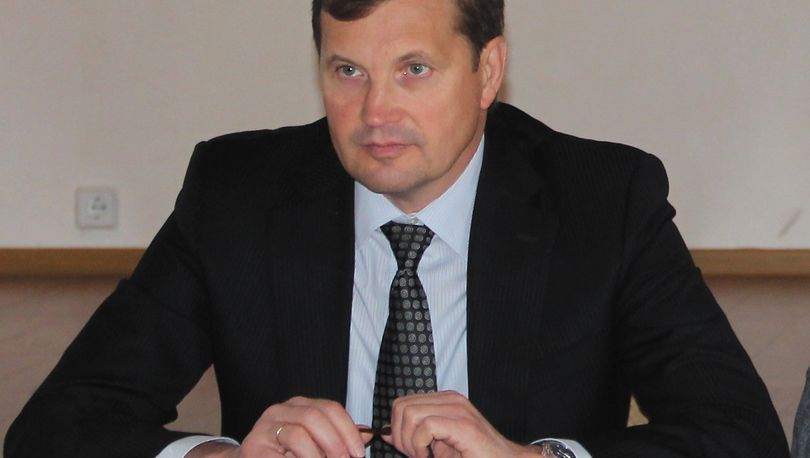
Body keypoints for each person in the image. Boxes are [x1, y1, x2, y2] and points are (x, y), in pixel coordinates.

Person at [5, 1, 790, 457]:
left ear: (487, 72)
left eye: (415, 69)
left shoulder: (603, 201)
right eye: (347, 71)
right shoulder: (237, 195)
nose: (375, 112)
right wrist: (224, 455)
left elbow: (740, 435)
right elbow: (54, 428)